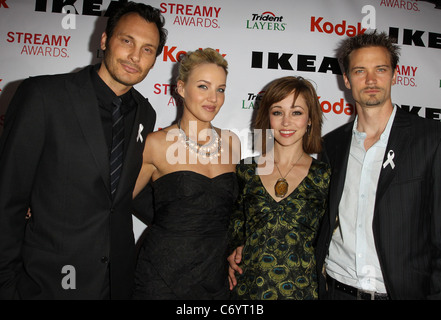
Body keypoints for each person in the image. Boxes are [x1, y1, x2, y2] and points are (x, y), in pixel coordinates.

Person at [0, 2, 167, 299]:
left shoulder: (145, 113)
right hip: (46, 281)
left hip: (116, 283)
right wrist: (6, 285)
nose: (134, 56)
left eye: (147, 49)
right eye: (127, 41)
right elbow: (7, 198)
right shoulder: (42, 96)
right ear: (104, 41)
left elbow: (122, 192)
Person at [316, 31, 441, 300]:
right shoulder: (332, 145)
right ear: (346, 80)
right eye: (360, 71)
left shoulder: (431, 138)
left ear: (395, 75)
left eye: (380, 69)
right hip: (338, 291)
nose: (371, 80)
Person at [132, 48, 241, 299]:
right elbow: (114, 202)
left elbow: (231, 209)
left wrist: (236, 245)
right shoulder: (156, 144)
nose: (213, 98)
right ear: (181, 88)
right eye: (203, 86)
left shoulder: (232, 142)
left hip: (215, 277)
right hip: (162, 277)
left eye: (220, 89)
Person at [228, 76, 330, 300]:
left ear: (310, 118)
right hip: (249, 292)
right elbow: (233, 226)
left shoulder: (325, 175)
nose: (286, 122)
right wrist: (231, 251)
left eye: (296, 112)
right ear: (267, 118)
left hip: (303, 292)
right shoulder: (245, 170)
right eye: (277, 112)